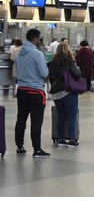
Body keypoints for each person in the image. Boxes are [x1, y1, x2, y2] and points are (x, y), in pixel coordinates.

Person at [14, 28, 50, 158]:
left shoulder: (19, 54)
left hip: (22, 91)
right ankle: (37, 149)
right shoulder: (37, 54)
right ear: (35, 38)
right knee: (36, 121)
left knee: (21, 119)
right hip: (35, 92)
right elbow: (44, 73)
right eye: (39, 38)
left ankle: (19, 146)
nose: (40, 41)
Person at [49, 43, 81, 147]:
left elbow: (50, 77)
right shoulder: (70, 61)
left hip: (56, 92)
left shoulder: (53, 62)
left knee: (61, 116)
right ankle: (72, 140)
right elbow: (77, 74)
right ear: (68, 50)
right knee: (71, 116)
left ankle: (61, 139)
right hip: (68, 91)